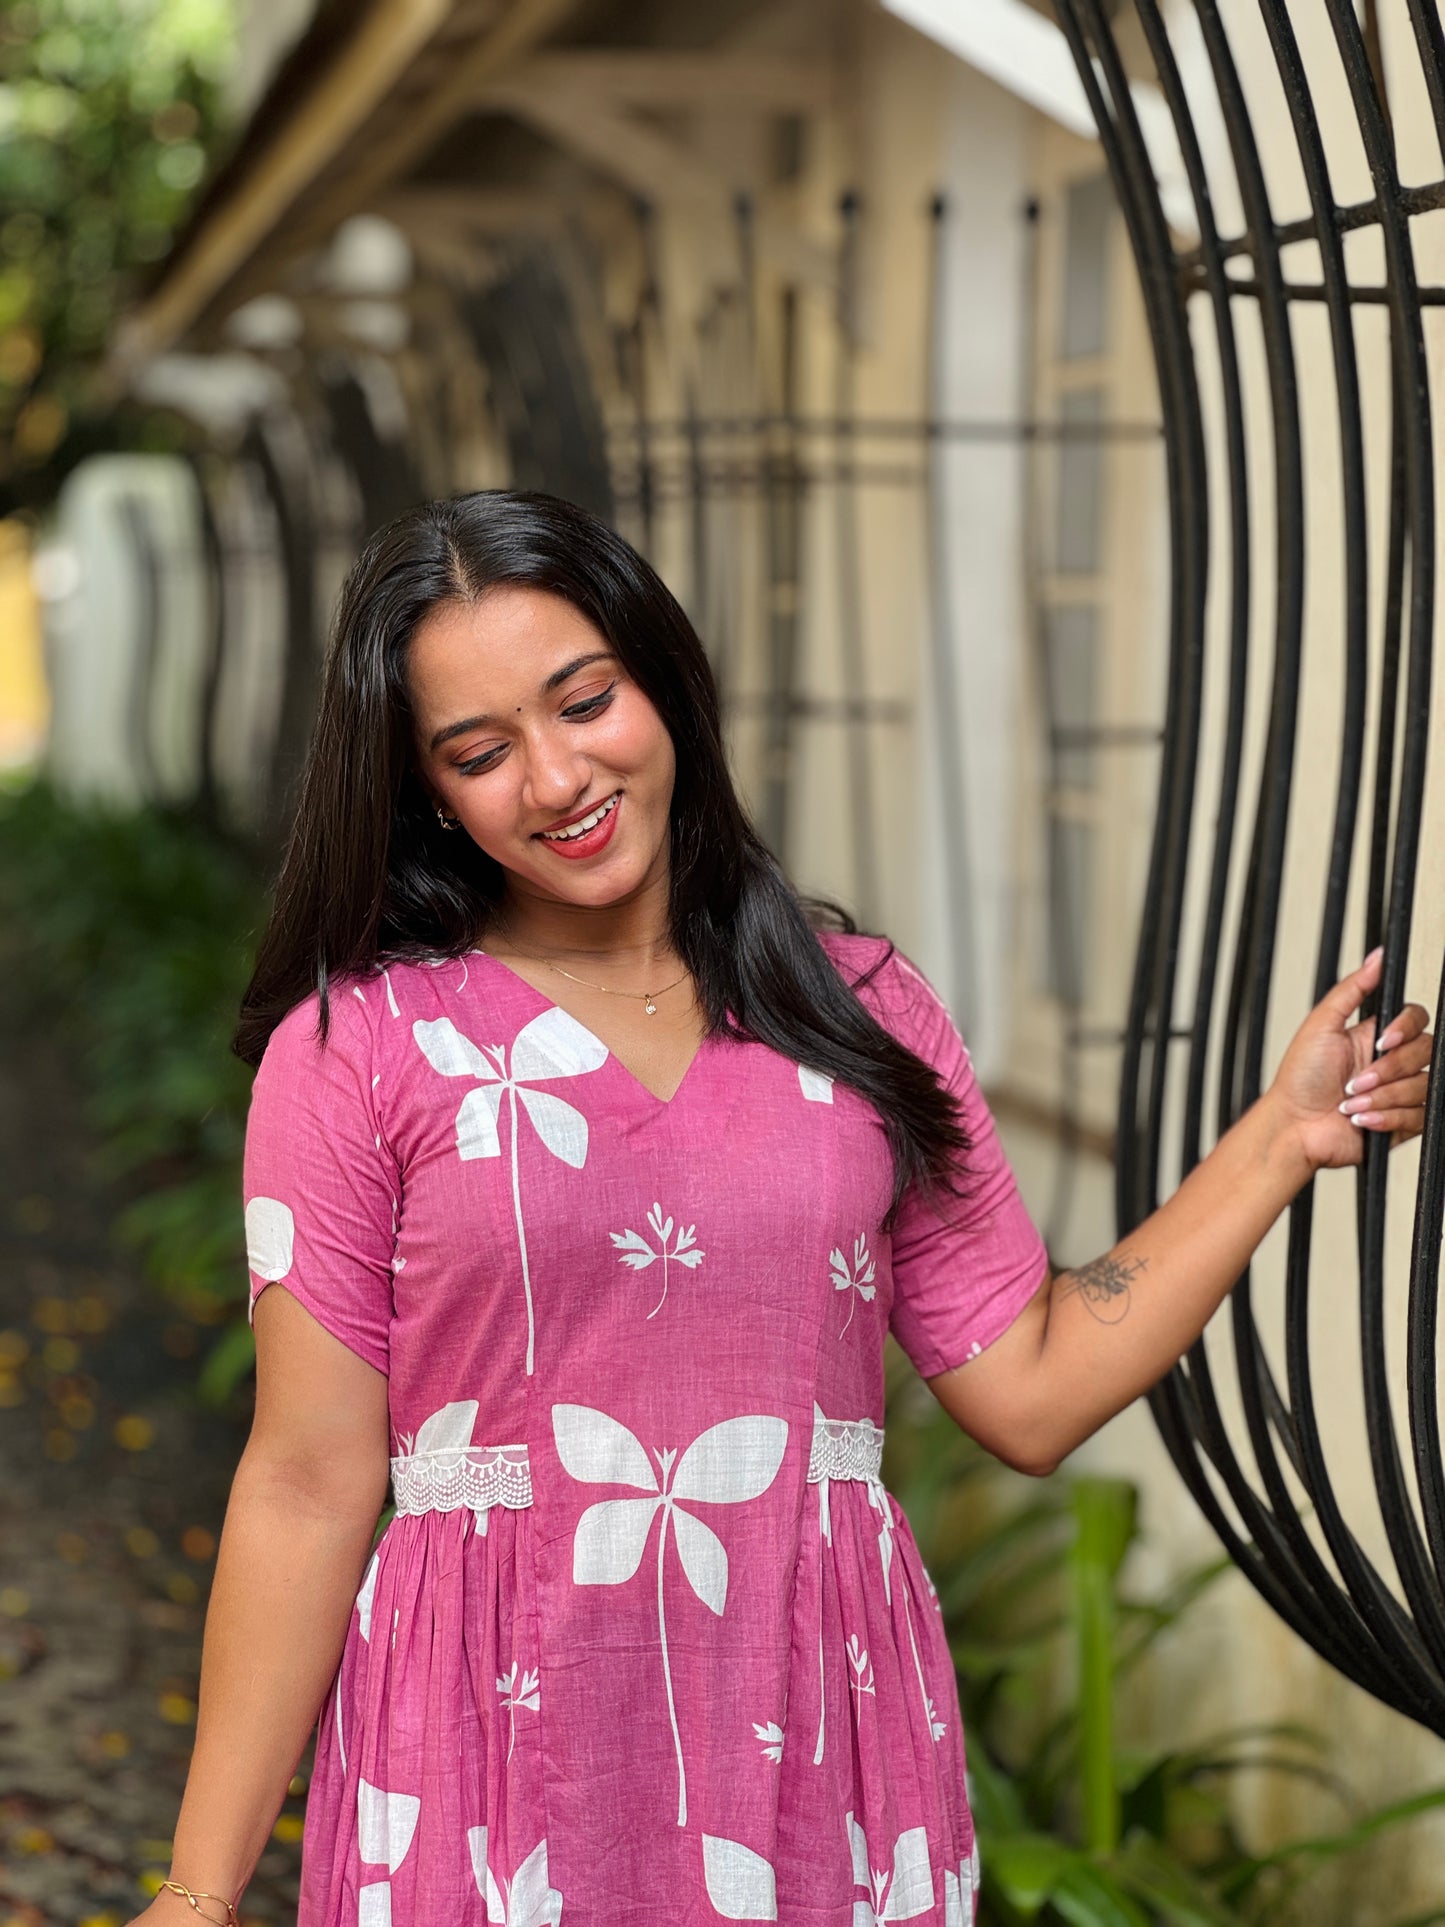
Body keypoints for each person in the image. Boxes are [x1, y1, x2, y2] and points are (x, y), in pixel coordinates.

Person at [128, 490, 1431, 1927]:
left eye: (586, 702)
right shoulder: (361, 1050)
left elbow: (1032, 1384)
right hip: (483, 1744)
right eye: (482, 753)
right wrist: (197, 1896)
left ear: (663, 682)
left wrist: (1279, 1140)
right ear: (430, 792)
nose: (557, 777)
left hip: (815, 1734)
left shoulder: (857, 1010)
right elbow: (307, 1482)